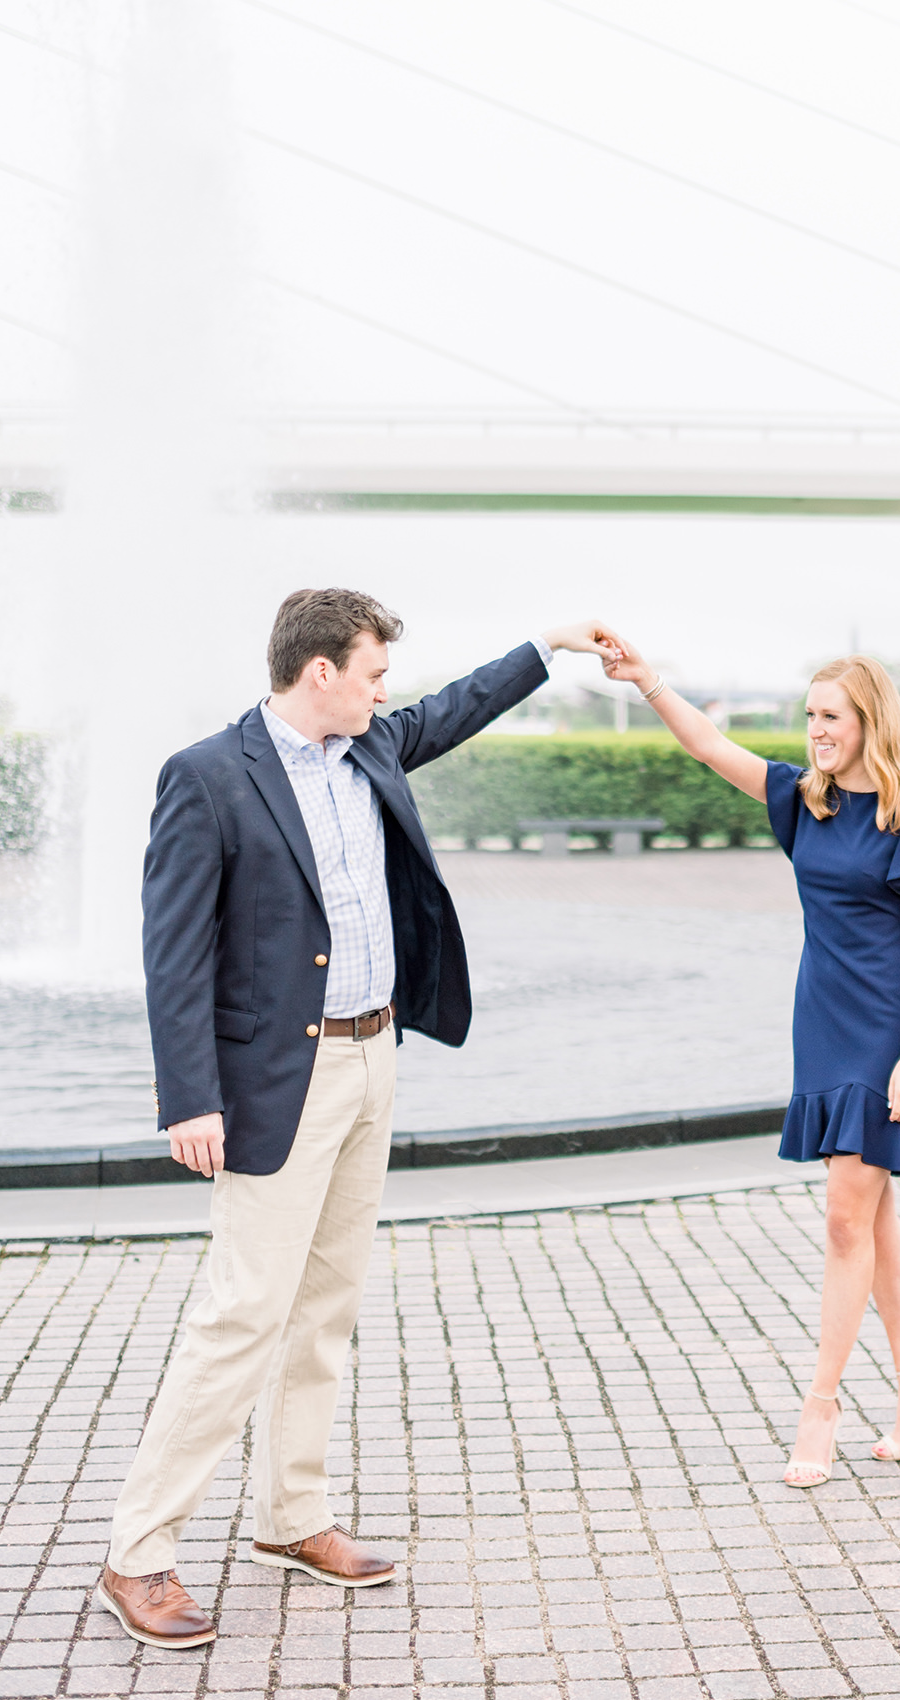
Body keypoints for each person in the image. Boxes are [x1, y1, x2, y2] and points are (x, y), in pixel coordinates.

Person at [97, 590, 611, 1650]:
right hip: (275, 1083)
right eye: (372, 673)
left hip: (374, 1057)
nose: (387, 694)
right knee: (242, 1315)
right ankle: (138, 1553)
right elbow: (172, 951)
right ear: (318, 670)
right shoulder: (207, 777)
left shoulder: (367, 747)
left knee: (325, 1307)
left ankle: (293, 1520)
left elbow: (455, 709)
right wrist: (188, 1094)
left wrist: (545, 648)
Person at [601, 638, 900, 1485]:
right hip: (821, 1022)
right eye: (809, 717)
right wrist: (650, 680)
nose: (815, 732)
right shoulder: (803, 799)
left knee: (846, 1217)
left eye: (830, 717)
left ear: (868, 720)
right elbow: (707, 745)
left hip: (885, 1031)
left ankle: (822, 1405)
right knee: (870, 1214)